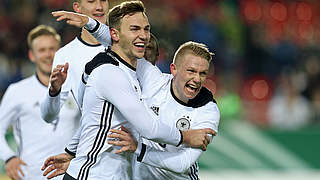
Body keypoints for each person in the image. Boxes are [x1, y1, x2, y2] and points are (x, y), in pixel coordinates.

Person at [42, 1, 215, 180]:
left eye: (146, 29)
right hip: (93, 175)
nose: (143, 35)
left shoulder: (136, 71)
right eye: (134, 29)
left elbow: (99, 122)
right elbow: (150, 129)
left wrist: (71, 152)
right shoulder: (110, 73)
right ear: (115, 34)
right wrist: (186, 137)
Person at [108, 41, 219, 179]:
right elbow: (120, 42)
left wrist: (138, 148)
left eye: (203, 73)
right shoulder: (155, 82)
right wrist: (90, 24)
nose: (197, 79)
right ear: (174, 69)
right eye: (191, 71)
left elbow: (182, 163)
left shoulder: (208, 111)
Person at [0, 25, 79, 180]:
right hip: (31, 175)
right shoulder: (17, 91)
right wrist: (9, 157)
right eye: (42, 50)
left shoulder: (77, 88)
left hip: (71, 175)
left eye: (52, 49)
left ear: (61, 52)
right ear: (31, 55)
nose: (48, 55)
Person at [40, 0, 110, 122]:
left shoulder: (123, 44)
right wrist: (54, 91)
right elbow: (48, 117)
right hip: (95, 137)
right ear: (77, 7)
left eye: (103, 0)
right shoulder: (65, 55)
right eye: (91, 1)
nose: (99, 7)